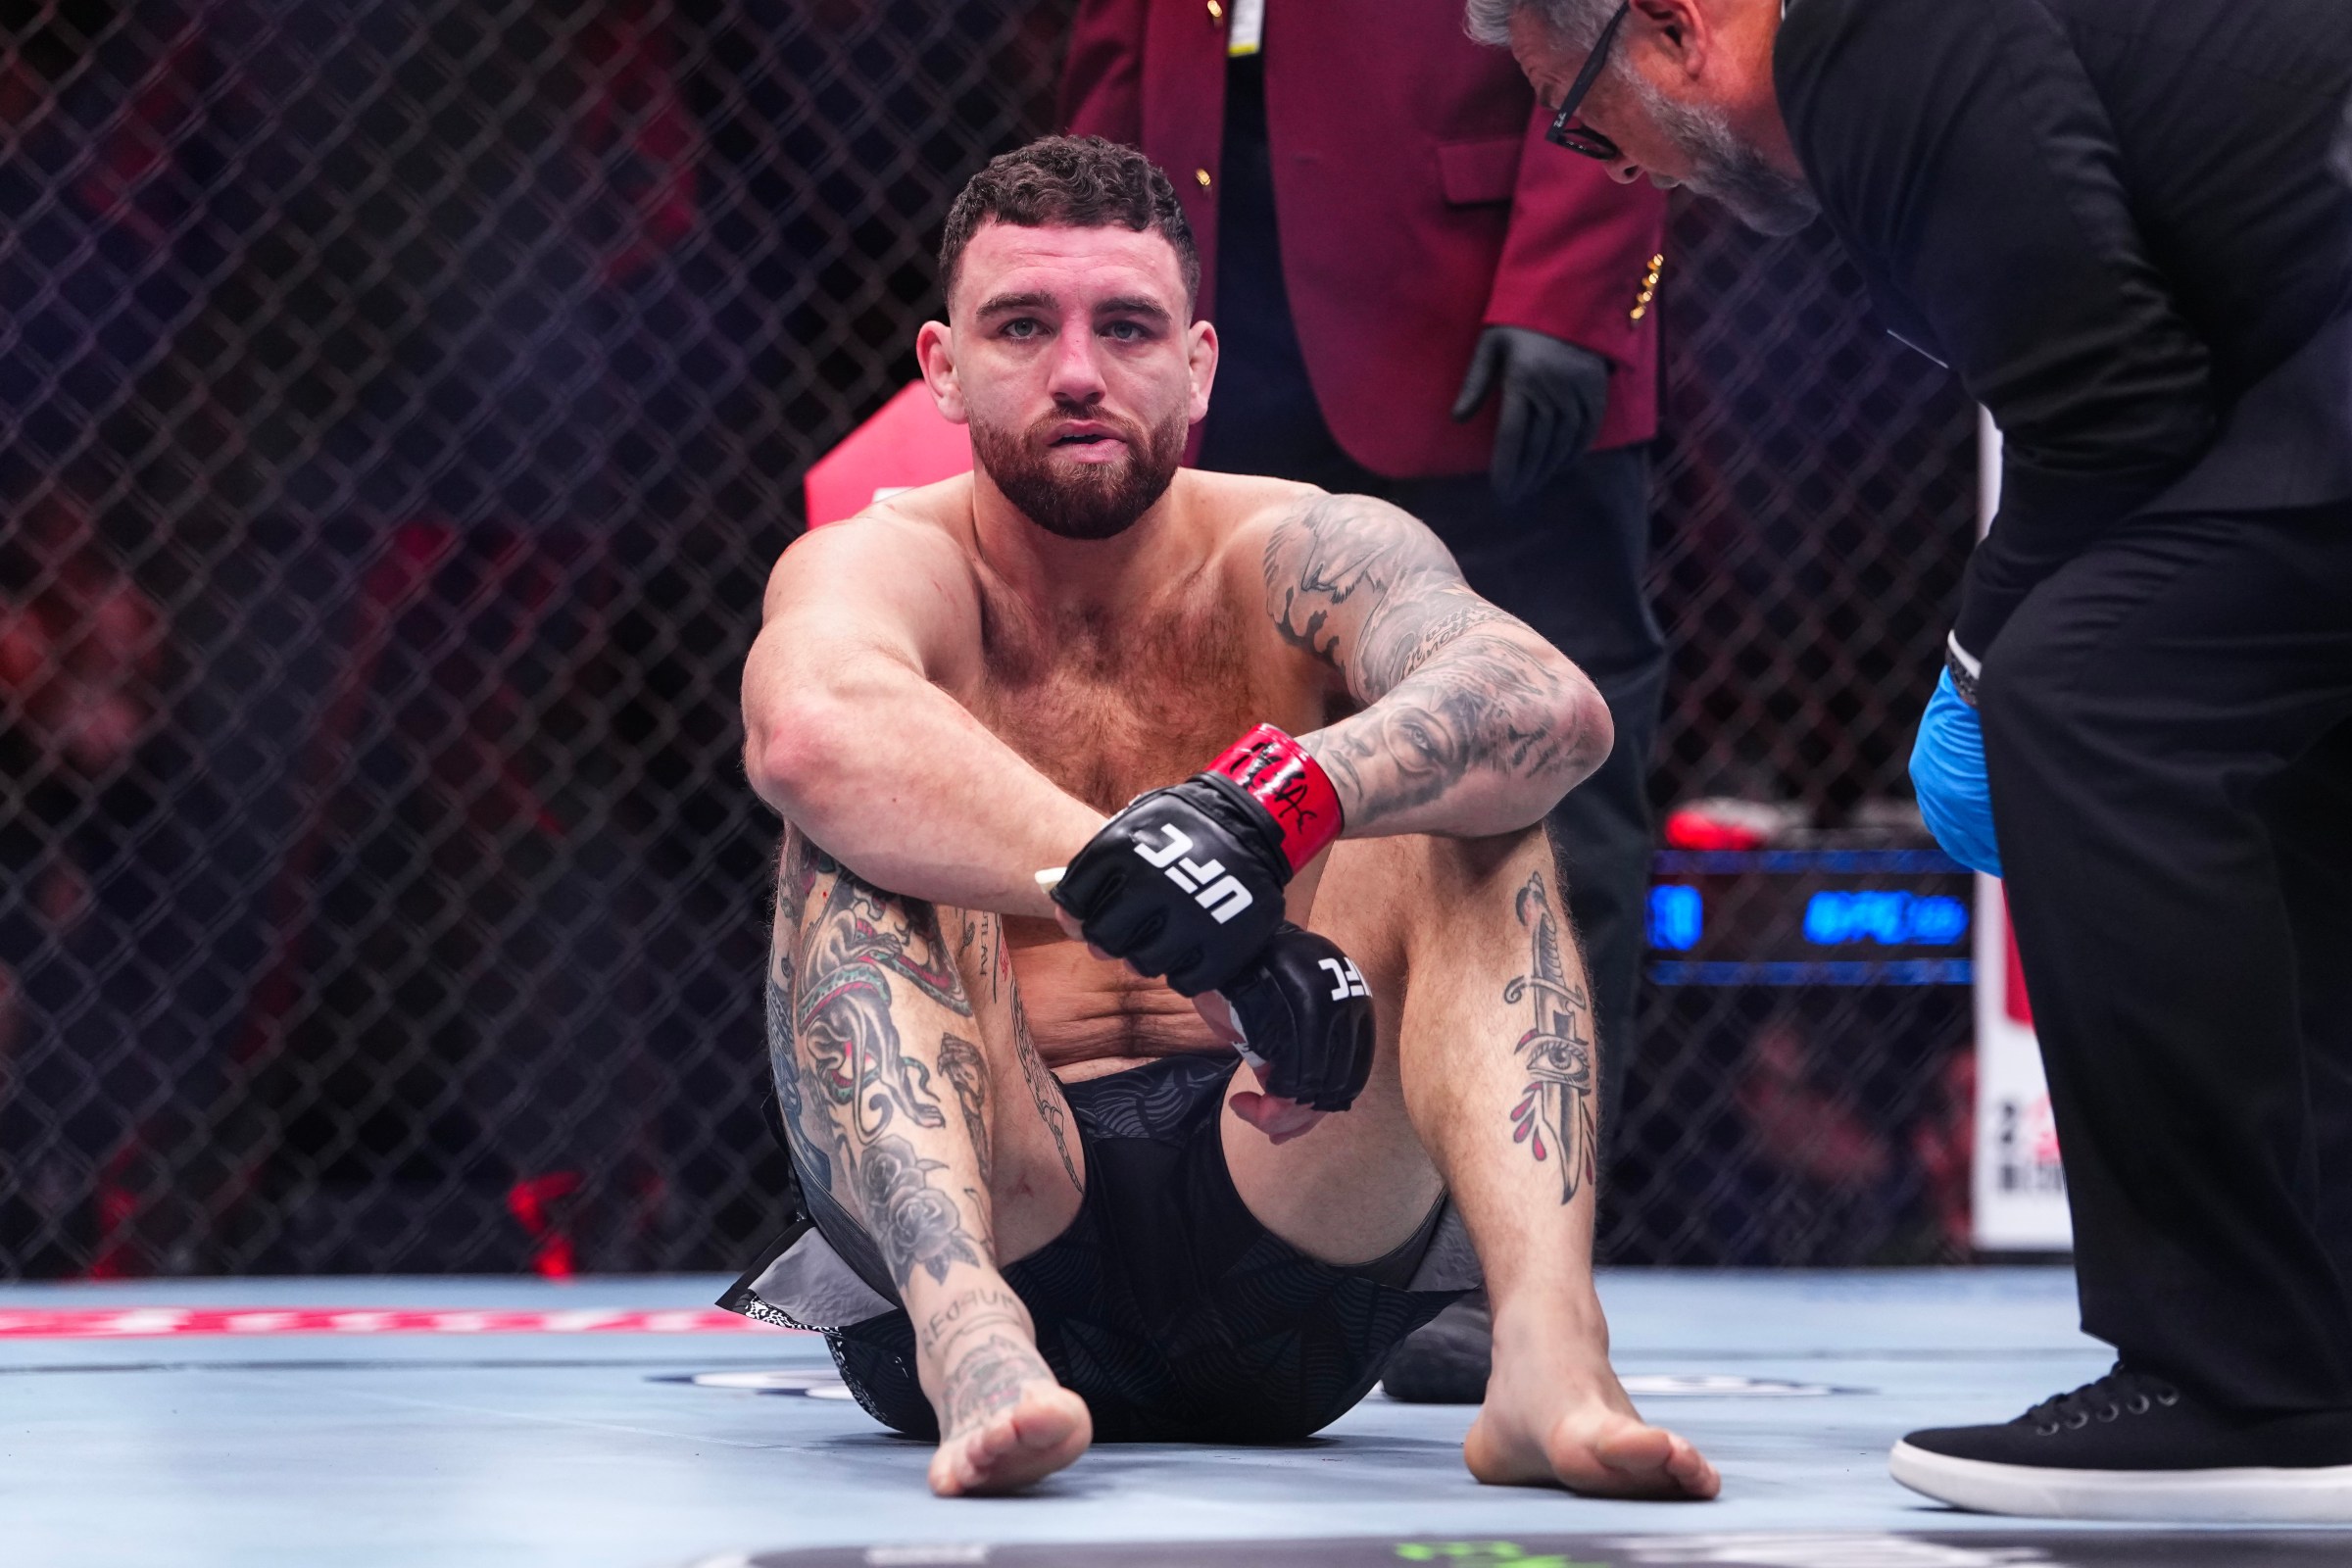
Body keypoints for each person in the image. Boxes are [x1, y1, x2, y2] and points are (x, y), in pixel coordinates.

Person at [728, 134, 1719, 1502]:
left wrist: (1271, 811)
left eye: (1125, 327)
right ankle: (977, 1348)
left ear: (1196, 365)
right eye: (1022, 325)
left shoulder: (1304, 545)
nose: (1077, 371)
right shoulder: (881, 562)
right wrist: (1190, 913)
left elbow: (1546, 701)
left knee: (1478, 801)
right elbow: (809, 727)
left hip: (1294, 1223)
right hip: (981, 1235)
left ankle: (1549, 1354)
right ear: (944, 369)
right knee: (850, 820)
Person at [1476, 0, 2352, 1522]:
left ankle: (2239, 1377)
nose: (1603, 166)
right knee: (2256, 735)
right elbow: (2144, 380)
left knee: (2093, 698)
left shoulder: (1868, 42)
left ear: (1674, 26)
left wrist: (1974, 673)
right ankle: (2304, 1338)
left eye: (1575, 110)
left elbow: (2114, 417)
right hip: (2308, 356)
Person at [1060, 1, 1672, 1401]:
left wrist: (1576, 285)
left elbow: (1637, 25)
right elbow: (1119, 42)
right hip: (1215, 274)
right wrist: (1098, 294)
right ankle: (1232, 1224)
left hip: (1472, 287)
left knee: (1531, 770)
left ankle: (1499, 1256)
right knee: (1213, 776)